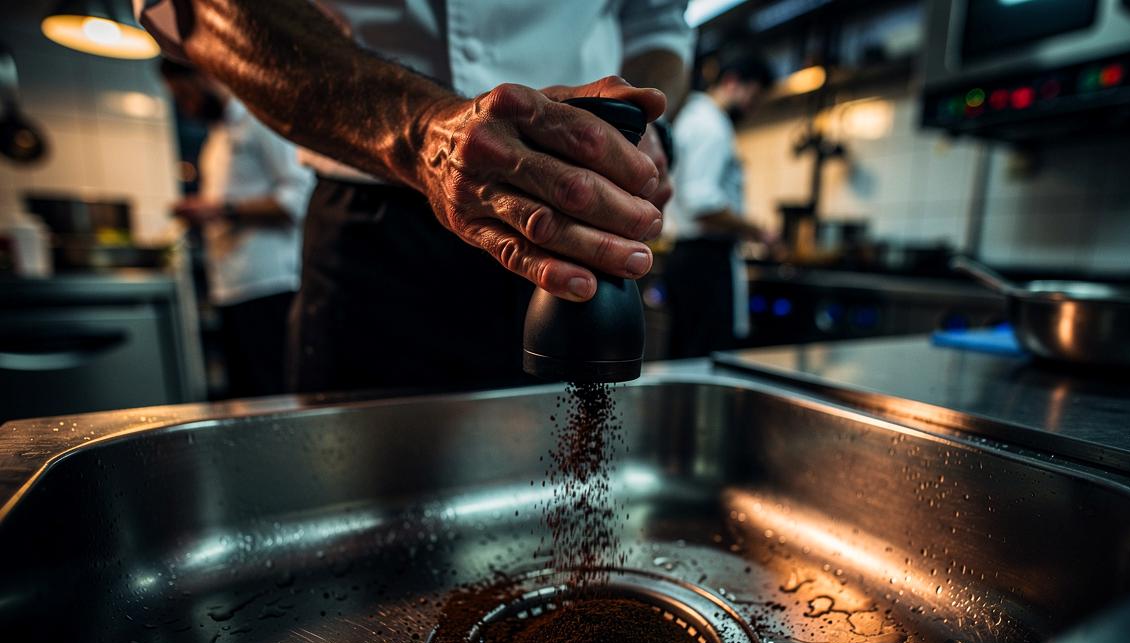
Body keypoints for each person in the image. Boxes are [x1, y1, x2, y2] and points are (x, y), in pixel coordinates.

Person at [134, 0, 691, 393]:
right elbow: (202, 9)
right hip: (370, 225)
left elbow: (655, 23)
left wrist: (644, 136)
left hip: (572, 220)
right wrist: (421, 131)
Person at [161, 59, 315, 397]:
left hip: (271, 283)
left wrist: (220, 210)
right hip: (229, 286)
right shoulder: (214, 141)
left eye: (186, 96)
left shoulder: (260, 120)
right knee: (245, 396)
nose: (186, 108)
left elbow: (298, 198)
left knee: (276, 394)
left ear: (204, 75)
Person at [663, 56, 777, 358]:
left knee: (686, 353)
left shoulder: (693, 118)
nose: (752, 108)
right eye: (754, 97)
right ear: (732, 82)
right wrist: (756, 229)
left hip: (689, 258)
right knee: (706, 356)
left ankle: (683, 407)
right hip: (705, 261)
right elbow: (702, 202)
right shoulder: (712, 127)